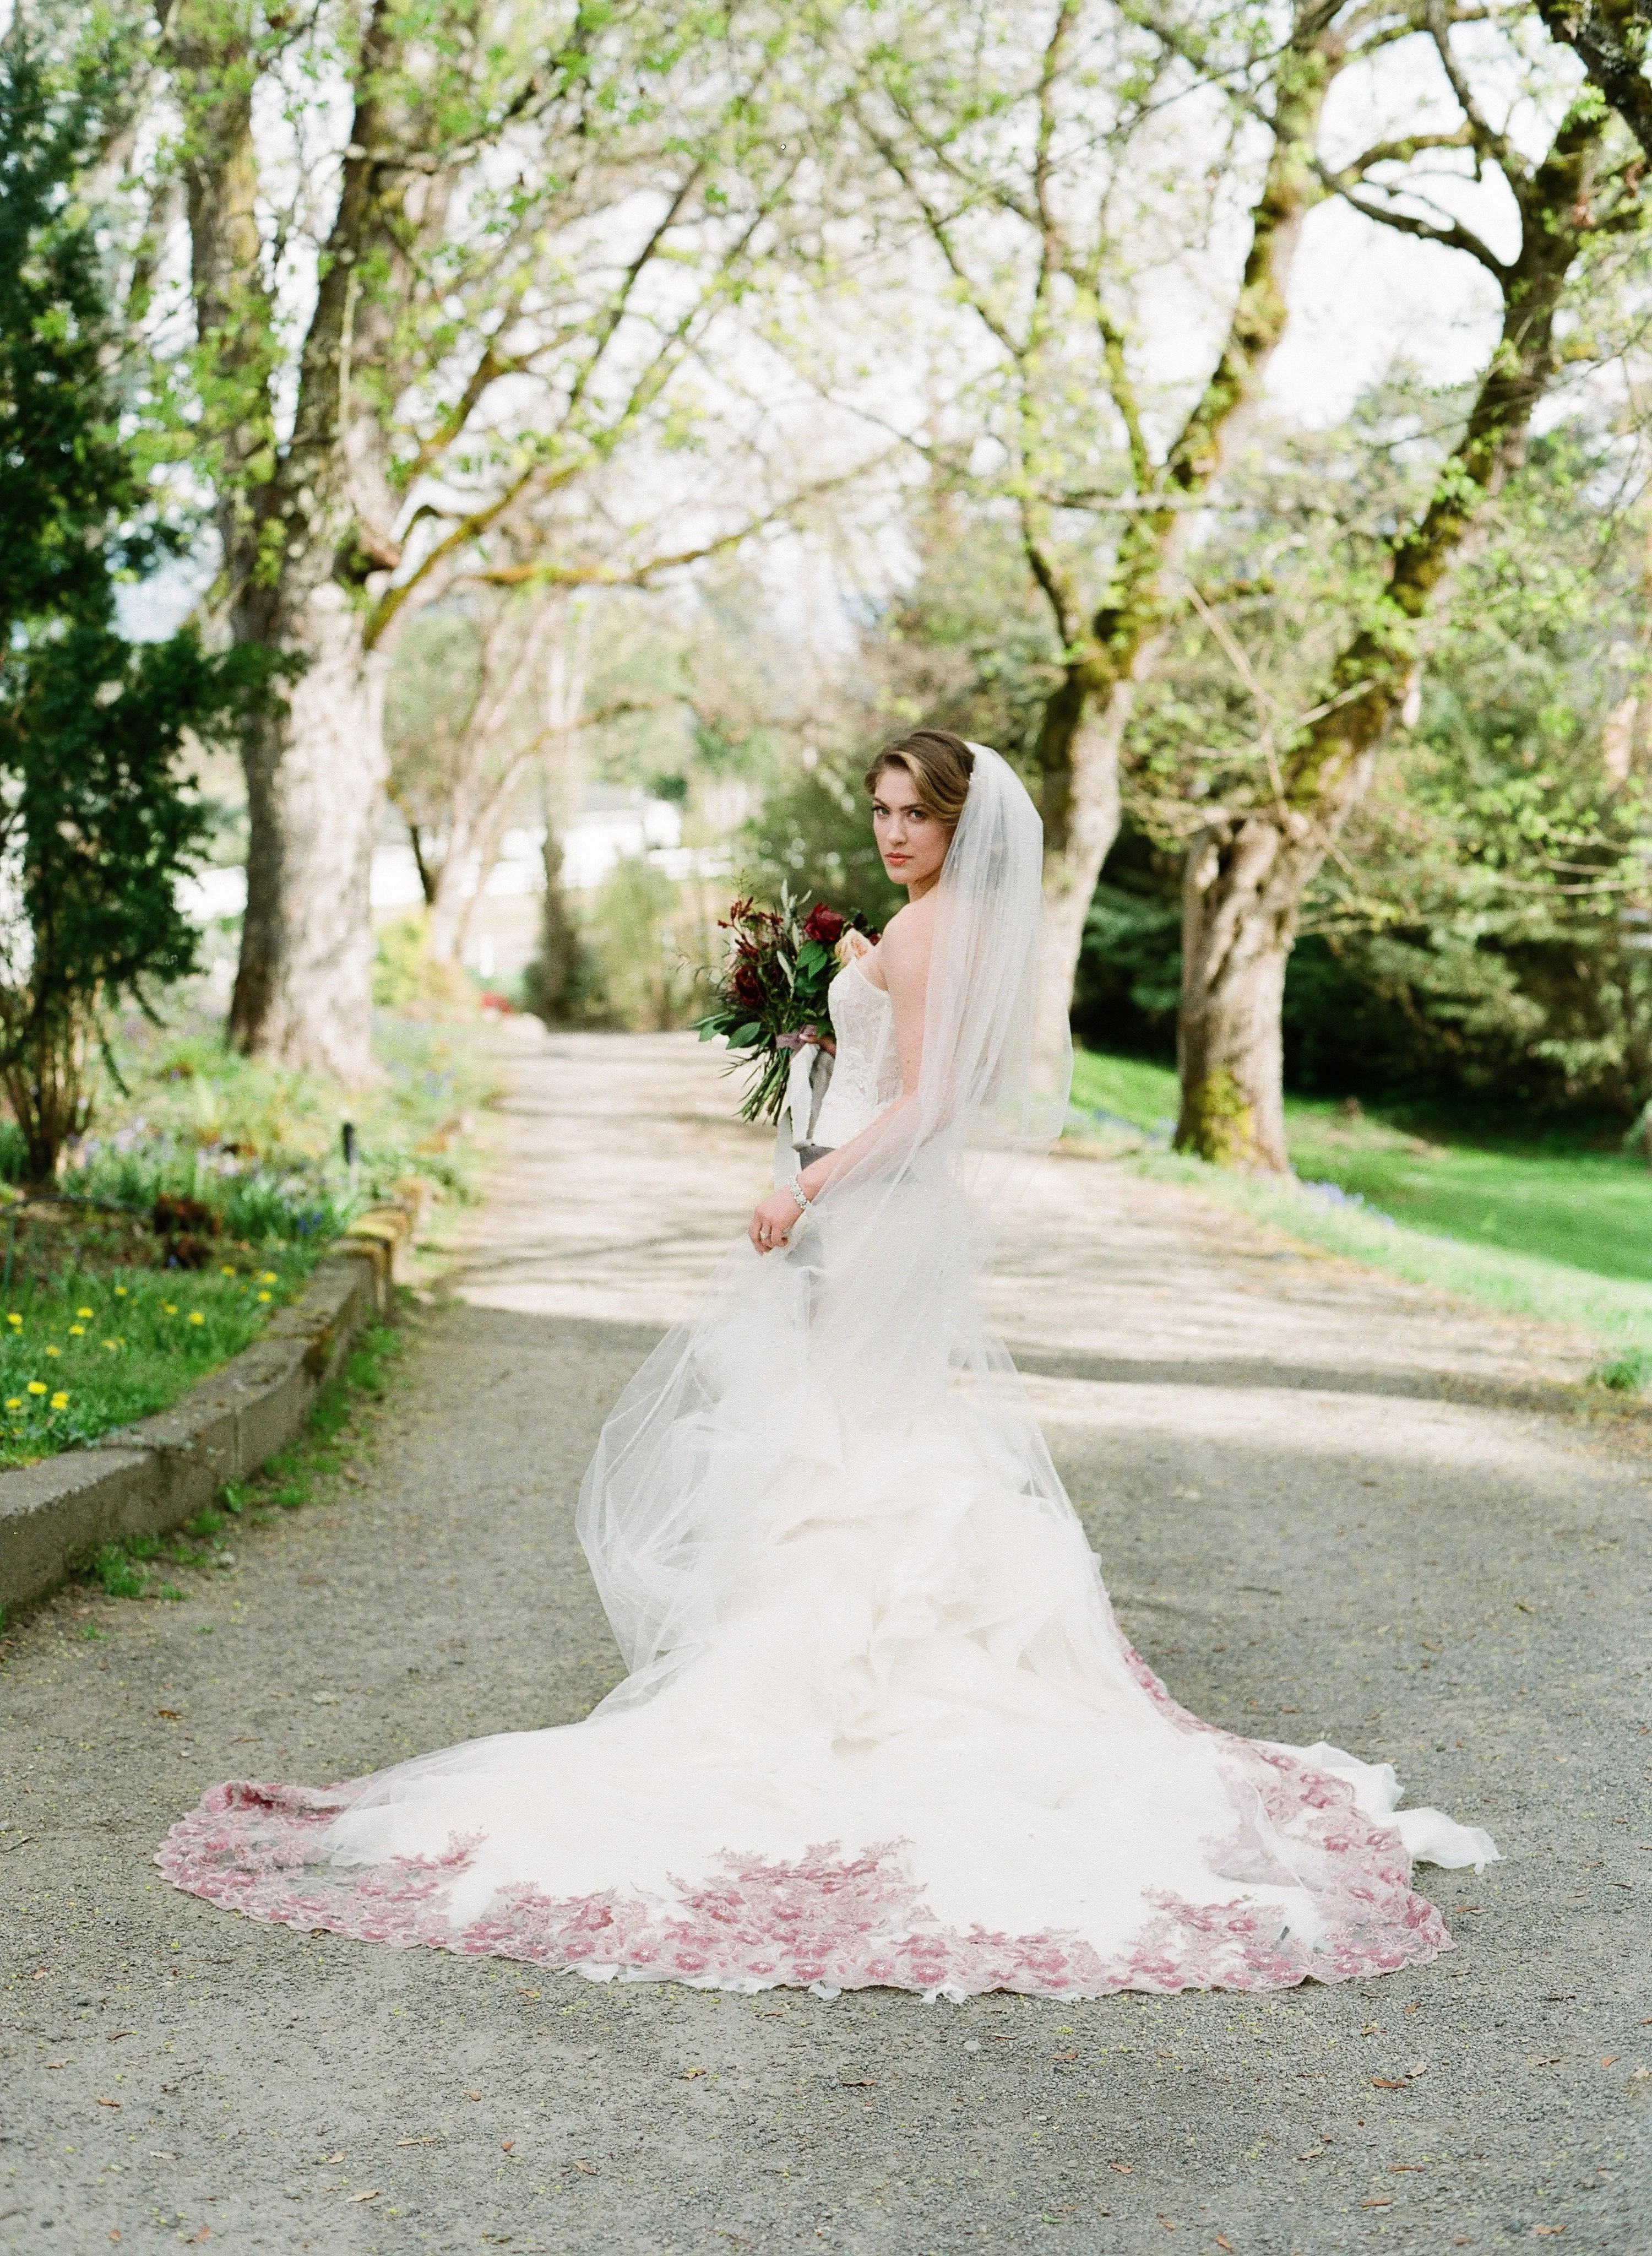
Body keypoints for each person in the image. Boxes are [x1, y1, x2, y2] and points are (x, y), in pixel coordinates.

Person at [160, 731, 1495, 1999]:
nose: (895, 831)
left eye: (918, 813)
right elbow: (899, 1061)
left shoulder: (926, 929)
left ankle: (841, 1702)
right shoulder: (939, 928)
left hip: (871, 1211)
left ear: (962, 825)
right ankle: (859, 1675)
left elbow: (922, 1101)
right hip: (885, 1211)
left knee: (842, 1443)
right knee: (868, 1433)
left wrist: (808, 1191)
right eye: (882, 810)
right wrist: (826, 1016)